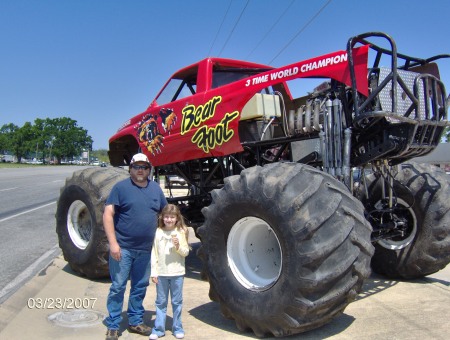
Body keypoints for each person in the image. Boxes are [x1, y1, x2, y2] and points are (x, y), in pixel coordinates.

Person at [103, 153, 167, 340]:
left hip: (146, 250)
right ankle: (113, 324)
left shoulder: (155, 189)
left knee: (140, 286)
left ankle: (135, 321)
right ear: (130, 168)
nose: (140, 170)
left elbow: (165, 213)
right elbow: (108, 215)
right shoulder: (120, 188)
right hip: (123, 249)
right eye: (136, 167)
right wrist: (113, 244)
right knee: (118, 286)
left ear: (149, 169)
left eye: (144, 167)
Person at [149, 204, 190, 340]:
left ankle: (177, 327)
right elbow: (154, 253)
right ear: (162, 218)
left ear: (177, 218)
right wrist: (154, 272)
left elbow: (185, 252)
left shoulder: (181, 232)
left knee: (177, 302)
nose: (169, 220)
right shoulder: (158, 232)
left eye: (172, 217)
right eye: (166, 217)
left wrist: (178, 246)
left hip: (177, 273)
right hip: (162, 273)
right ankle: (159, 329)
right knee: (160, 302)